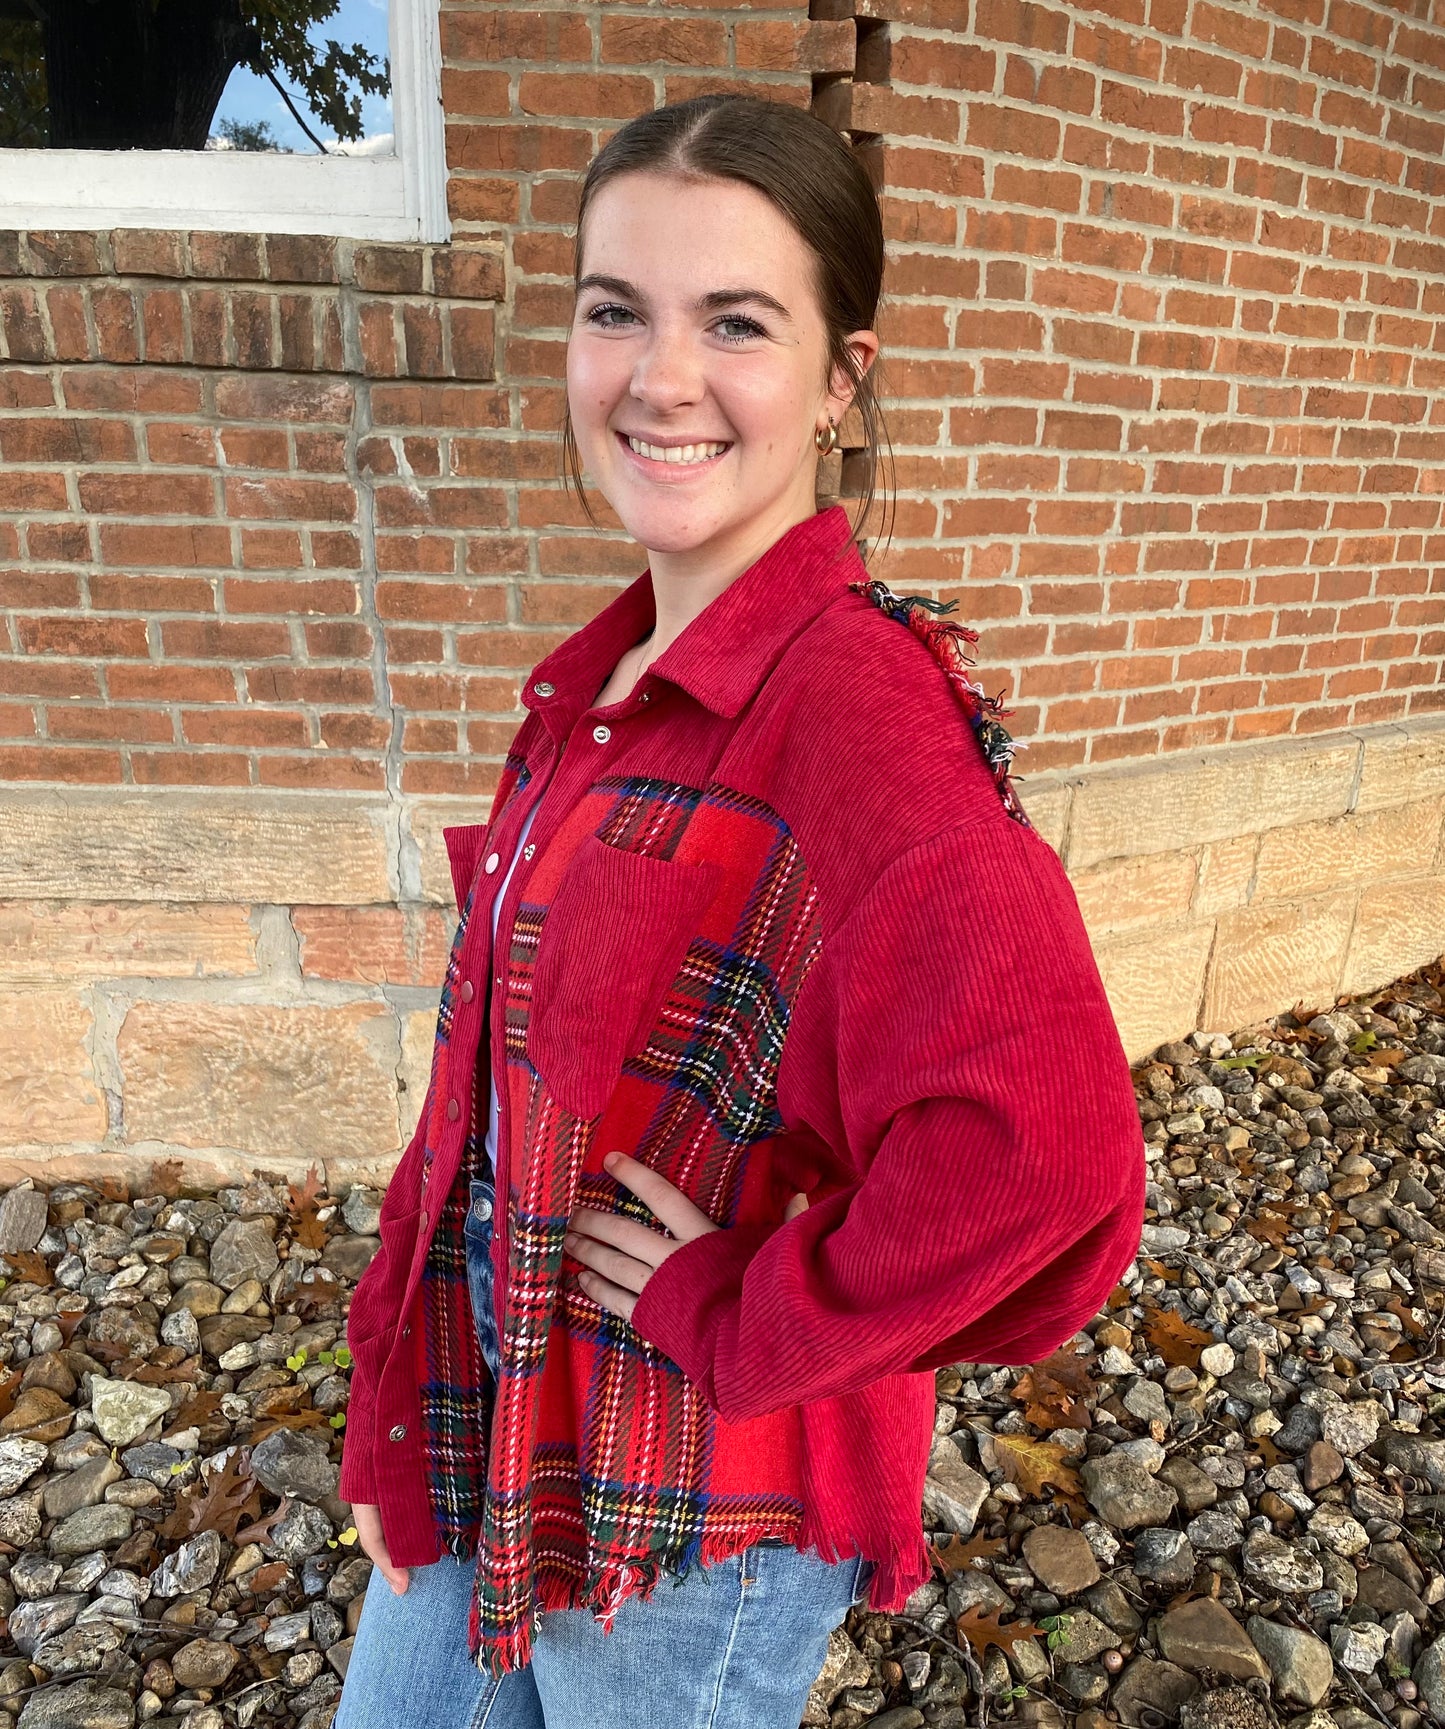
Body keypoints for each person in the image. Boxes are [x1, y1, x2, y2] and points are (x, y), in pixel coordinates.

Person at [333, 92, 1146, 1729]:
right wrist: (385, 1396)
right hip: (496, 1411)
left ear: (842, 378)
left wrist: (737, 1305)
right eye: (613, 310)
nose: (659, 377)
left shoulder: (859, 718)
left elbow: (1045, 1163)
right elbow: (487, 1100)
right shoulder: (603, 684)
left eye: (736, 323)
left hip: (689, 1511)